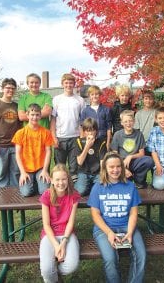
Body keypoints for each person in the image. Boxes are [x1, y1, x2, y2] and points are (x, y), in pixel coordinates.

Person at [87, 151, 146, 283]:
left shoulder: (130, 186)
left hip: (127, 226)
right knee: (110, 259)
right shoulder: (98, 187)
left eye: (118, 166)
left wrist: (130, 232)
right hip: (104, 228)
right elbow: (95, 215)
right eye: (111, 167)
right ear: (105, 169)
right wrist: (109, 233)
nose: (115, 170)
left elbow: (133, 213)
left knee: (141, 255)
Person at [39, 163, 80, 283]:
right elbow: (46, 224)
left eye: (63, 179)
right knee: (46, 269)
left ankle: (54, 273)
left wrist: (63, 243)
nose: (60, 183)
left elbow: (70, 222)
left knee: (71, 266)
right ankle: (53, 278)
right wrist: (56, 245)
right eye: (57, 179)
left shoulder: (74, 195)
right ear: (51, 180)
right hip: (49, 234)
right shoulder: (46, 196)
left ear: (68, 179)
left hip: (67, 233)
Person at [12, 103, 54, 197]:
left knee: (44, 192)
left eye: (37, 115)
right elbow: (17, 154)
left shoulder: (46, 132)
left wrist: (45, 170)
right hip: (26, 169)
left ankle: (38, 182)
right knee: (26, 193)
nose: (34, 117)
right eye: (32, 114)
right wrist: (22, 172)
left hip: (40, 168)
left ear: (40, 116)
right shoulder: (20, 133)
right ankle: (33, 182)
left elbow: (48, 152)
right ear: (27, 115)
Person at [50, 73, 86, 183]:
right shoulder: (56, 99)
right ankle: (59, 190)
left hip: (75, 138)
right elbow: (53, 119)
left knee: (74, 167)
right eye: (66, 83)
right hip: (60, 137)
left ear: (74, 84)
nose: (68, 85)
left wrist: (82, 137)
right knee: (59, 167)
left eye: (71, 83)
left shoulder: (80, 100)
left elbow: (83, 121)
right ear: (62, 84)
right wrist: (54, 137)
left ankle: (72, 190)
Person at [111, 110, 154, 188]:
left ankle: (138, 180)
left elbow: (142, 153)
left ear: (134, 121)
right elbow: (115, 155)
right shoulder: (117, 135)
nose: (128, 123)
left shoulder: (139, 134)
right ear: (122, 123)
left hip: (135, 162)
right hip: (121, 163)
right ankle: (128, 177)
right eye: (125, 121)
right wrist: (123, 168)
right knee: (124, 185)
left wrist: (130, 156)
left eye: (130, 121)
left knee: (149, 160)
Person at [74, 118, 107, 196]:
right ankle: (87, 185)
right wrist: (87, 146)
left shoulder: (101, 142)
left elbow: (102, 161)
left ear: (96, 131)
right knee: (80, 192)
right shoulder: (79, 142)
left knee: (101, 191)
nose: (90, 133)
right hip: (83, 172)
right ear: (84, 132)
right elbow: (80, 162)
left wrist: (103, 175)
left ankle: (92, 186)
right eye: (88, 130)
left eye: (92, 130)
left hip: (97, 173)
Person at [80, 85, 112, 150]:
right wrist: (82, 141)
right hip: (90, 140)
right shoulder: (85, 111)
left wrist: (108, 142)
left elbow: (109, 128)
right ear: (89, 96)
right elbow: (82, 127)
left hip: (103, 139)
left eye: (96, 94)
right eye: (92, 94)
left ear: (100, 95)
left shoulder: (106, 110)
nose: (94, 96)